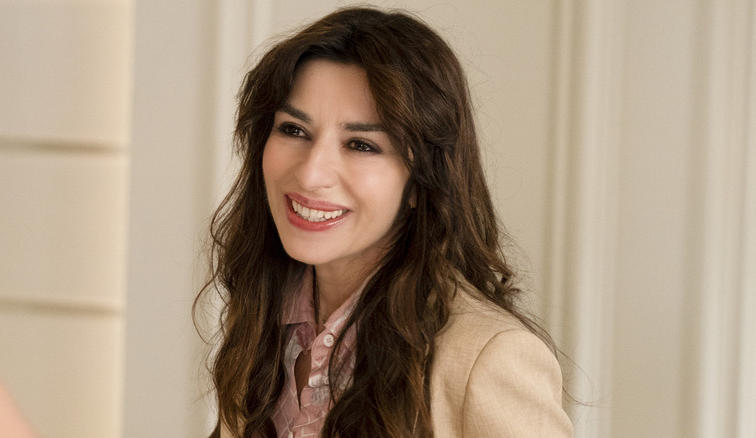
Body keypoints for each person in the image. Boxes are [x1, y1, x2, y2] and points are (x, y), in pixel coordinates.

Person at [197, 6, 573, 438]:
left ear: (421, 180)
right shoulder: (263, 318)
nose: (311, 173)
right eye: (294, 130)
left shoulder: (487, 358)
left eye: (361, 144)